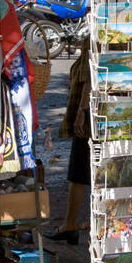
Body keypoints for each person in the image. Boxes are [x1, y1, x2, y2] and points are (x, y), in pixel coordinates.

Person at [48, 33, 91, 244]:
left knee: (78, 171)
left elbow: (88, 78)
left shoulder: (96, 38)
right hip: (95, 112)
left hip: (90, 114)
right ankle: (74, 223)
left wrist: (82, 112)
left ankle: (71, 223)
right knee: (85, 171)